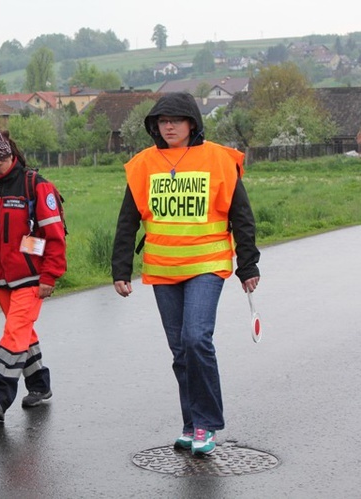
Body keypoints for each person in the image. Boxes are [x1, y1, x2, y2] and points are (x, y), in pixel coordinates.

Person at [111, 92, 260, 456]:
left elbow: (241, 215)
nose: (170, 126)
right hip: (162, 268)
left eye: (176, 120)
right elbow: (128, 219)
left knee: (196, 339)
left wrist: (248, 264)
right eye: (163, 121)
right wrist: (121, 269)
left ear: (192, 122)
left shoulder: (217, 159)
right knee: (180, 351)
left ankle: (206, 424)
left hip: (207, 266)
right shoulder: (144, 163)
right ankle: (191, 423)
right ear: (154, 126)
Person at [0, 129, 67, 421]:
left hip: (31, 279)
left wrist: (48, 275)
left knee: (14, 333)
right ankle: (40, 385)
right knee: (23, 334)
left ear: (11, 156)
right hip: (1, 279)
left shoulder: (37, 186)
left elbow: (54, 237)